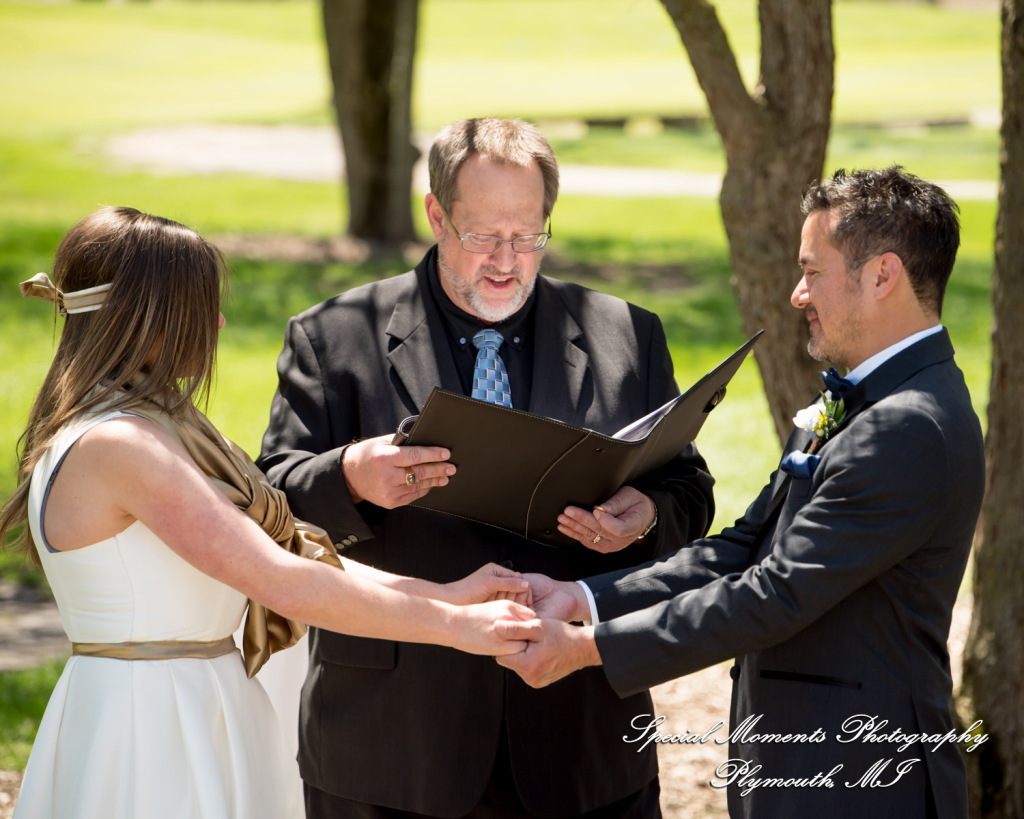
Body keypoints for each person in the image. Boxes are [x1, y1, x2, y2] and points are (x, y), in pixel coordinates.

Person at [0, 206, 538, 819]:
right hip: (150, 725)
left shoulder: (160, 424)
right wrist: (452, 629)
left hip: (201, 700)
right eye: (201, 306)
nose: (221, 321)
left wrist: (451, 596)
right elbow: (281, 579)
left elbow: (290, 554)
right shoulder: (122, 446)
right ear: (144, 318)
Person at [257, 117, 716, 818]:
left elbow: (687, 488)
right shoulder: (332, 336)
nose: (507, 260)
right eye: (484, 236)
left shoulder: (626, 332)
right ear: (436, 214)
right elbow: (270, 508)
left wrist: (646, 517)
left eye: (528, 235)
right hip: (393, 744)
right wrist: (350, 475)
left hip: (581, 740)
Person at [498, 166, 986, 819]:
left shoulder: (907, 425)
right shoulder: (869, 402)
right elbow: (742, 549)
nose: (796, 294)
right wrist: (583, 598)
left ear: (882, 275)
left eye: (812, 271)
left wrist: (588, 649)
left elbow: (776, 593)